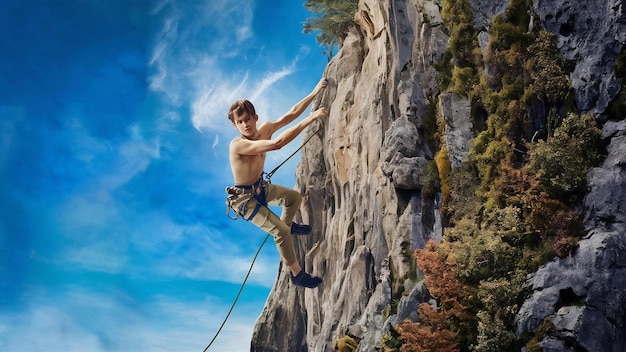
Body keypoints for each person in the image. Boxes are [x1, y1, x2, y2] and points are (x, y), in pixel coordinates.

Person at [226, 78, 328, 288]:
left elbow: (290, 114)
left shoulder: (264, 129)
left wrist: (315, 91)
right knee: (279, 232)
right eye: (240, 122)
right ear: (235, 125)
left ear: (255, 117)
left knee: (293, 198)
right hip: (246, 200)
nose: (245, 124)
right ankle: (297, 275)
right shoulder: (238, 145)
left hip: (260, 188)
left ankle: (289, 226)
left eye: (247, 119)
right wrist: (311, 119)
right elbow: (277, 144)